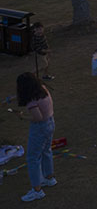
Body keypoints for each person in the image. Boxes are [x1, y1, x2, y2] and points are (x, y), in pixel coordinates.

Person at [16, 72, 56, 202]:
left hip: (40, 128)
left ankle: (37, 190)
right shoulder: (43, 89)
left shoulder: (31, 100)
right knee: (46, 151)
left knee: (32, 158)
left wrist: (22, 117)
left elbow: (37, 118)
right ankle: (49, 178)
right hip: (51, 122)